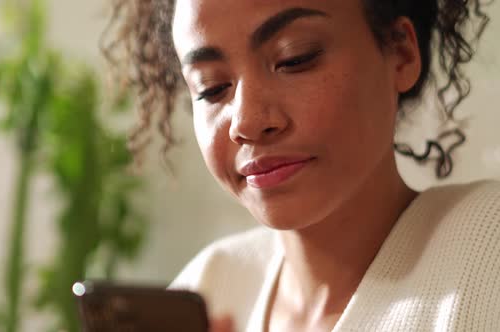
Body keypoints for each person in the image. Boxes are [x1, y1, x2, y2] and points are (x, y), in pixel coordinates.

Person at [106, 0, 499, 331]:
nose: (246, 121)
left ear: (401, 53)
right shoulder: (212, 283)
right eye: (211, 88)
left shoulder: (486, 248)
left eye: (295, 58)